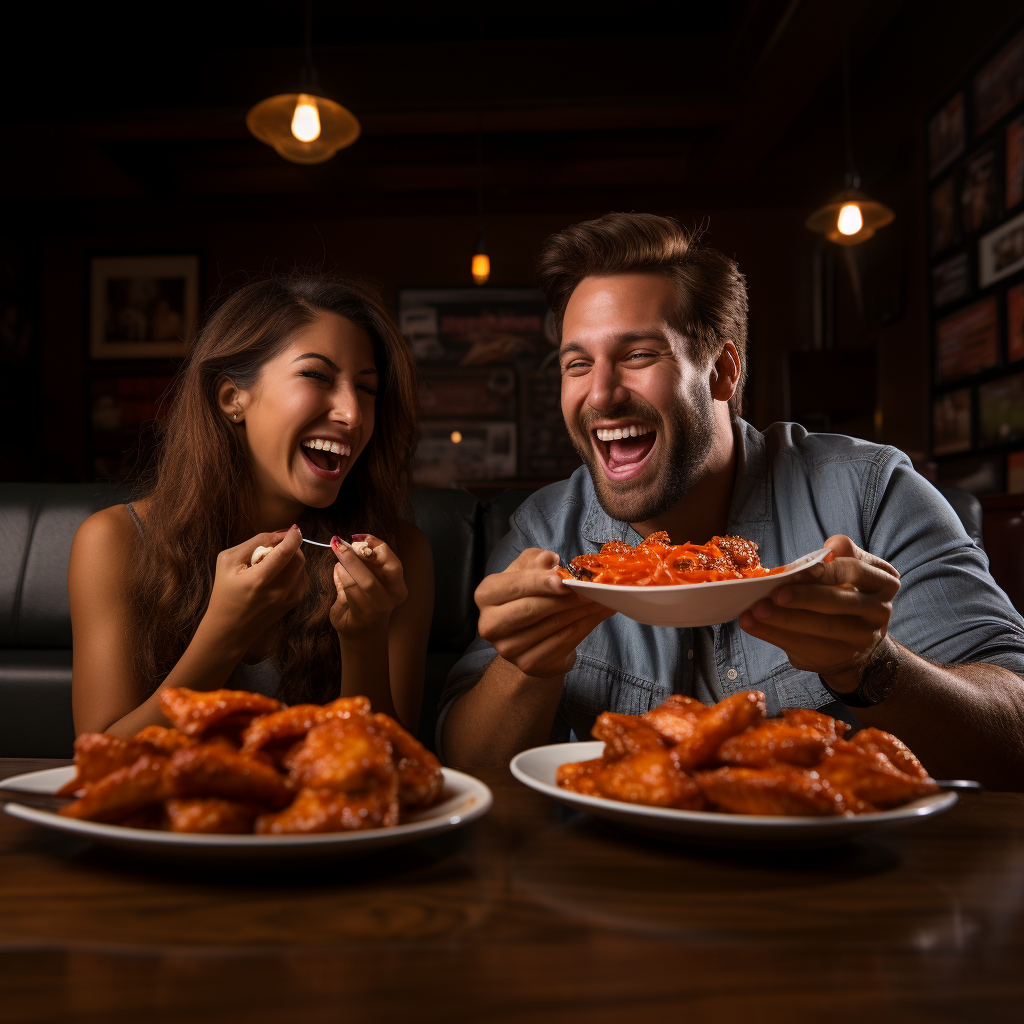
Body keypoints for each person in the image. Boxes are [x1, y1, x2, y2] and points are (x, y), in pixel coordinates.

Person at [439, 213, 1024, 788]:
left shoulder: (870, 492)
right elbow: (466, 763)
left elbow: (1015, 731)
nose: (600, 394)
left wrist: (871, 666)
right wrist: (525, 666)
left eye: (639, 355)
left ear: (722, 371)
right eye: (577, 364)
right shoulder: (545, 531)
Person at [70, 275, 433, 737]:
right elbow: (100, 761)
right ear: (232, 398)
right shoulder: (114, 542)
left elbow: (391, 767)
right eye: (317, 376)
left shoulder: (399, 556)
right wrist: (225, 632)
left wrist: (363, 637)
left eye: (366, 388)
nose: (353, 414)